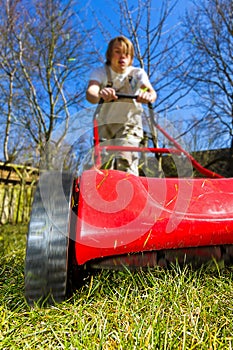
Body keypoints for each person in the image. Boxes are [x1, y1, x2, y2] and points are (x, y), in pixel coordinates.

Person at [86, 35, 157, 175]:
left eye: (127, 54)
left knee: (125, 158)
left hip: (130, 125)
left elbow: (150, 91)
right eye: (117, 52)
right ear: (109, 55)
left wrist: (146, 95)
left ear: (131, 58)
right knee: (104, 166)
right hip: (104, 127)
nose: (122, 57)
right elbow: (91, 94)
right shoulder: (101, 73)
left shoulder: (137, 74)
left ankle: (129, 192)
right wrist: (100, 94)